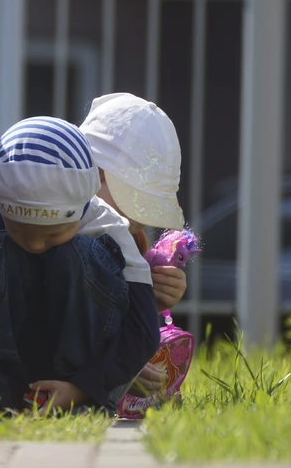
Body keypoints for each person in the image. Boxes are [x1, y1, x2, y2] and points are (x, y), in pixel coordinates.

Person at [0, 117, 160, 413]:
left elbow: (143, 330)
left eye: (53, 234)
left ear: (82, 208)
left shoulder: (107, 227)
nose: (36, 245)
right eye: (21, 231)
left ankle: (80, 403)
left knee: (79, 253)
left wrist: (83, 387)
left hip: (84, 382)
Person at [79, 92, 189, 397]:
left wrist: (152, 303)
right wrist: (117, 366)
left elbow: (105, 314)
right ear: (93, 173)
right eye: (134, 201)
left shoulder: (129, 240)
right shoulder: (57, 238)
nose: (139, 222)